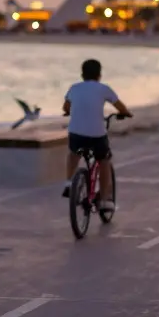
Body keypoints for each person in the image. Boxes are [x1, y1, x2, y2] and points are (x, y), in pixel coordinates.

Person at [61, 59, 131, 212]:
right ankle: (105, 200)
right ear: (99, 74)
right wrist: (125, 113)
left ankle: (68, 182)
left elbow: (66, 106)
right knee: (104, 161)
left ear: (82, 74)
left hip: (76, 133)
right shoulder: (104, 89)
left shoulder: (74, 87)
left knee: (73, 154)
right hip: (97, 135)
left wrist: (69, 111)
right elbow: (121, 106)